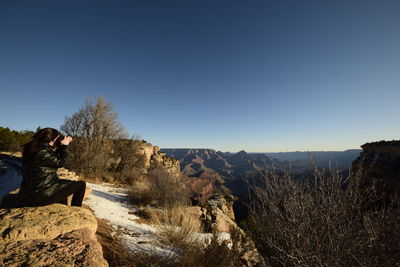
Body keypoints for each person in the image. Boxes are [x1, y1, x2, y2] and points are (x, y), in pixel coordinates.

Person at [18, 127, 86, 207]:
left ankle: (62, 210)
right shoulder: (42, 152)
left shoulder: (34, 148)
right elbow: (62, 162)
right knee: (81, 184)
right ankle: (76, 211)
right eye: (57, 138)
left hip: (29, 193)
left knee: (62, 188)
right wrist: (65, 146)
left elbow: (54, 158)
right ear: (51, 139)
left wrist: (60, 146)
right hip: (39, 196)